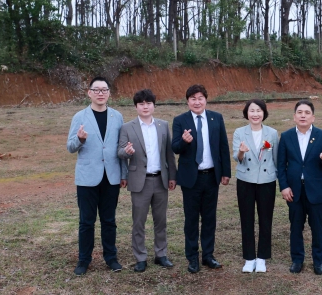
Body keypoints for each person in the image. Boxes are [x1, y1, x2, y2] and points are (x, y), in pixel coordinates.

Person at [66, 76, 126, 276]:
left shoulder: (117, 116)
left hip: (111, 177)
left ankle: (111, 258)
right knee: (86, 222)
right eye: (96, 90)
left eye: (104, 90)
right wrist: (80, 139)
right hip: (87, 177)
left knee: (109, 220)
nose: (101, 93)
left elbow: (121, 147)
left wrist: (123, 174)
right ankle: (84, 260)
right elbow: (70, 147)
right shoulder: (80, 117)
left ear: (109, 93)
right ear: (89, 93)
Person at [171, 84, 231, 273]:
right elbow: (175, 147)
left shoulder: (216, 118)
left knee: (209, 218)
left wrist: (226, 172)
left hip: (211, 176)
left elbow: (223, 146)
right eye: (193, 99)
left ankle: (208, 255)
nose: (197, 102)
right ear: (187, 101)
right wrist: (184, 141)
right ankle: (192, 258)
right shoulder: (180, 120)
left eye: (200, 98)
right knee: (191, 219)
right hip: (191, 178)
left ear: (206, 99)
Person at [117, 89, 177, 272]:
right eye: (141, 103)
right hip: (139, 182)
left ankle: (161, 254)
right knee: (138, 222)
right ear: (136, 106)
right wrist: (126, 152)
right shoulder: (127, 127)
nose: (145, 106)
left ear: (154, 106)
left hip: (160, 180)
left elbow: (169, 154)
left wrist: (172, 176)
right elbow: (119, 152)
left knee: (161, 221)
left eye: (148, 103)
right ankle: (140, 257)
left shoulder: (163, 125)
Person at [277, 100, 322, 275]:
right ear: (294, 116)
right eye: (300, 112)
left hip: (315, 190)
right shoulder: (286, 136)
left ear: (313, 117)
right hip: (294, 191)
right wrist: (284, 187)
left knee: (317, 227)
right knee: (295, 227)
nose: (303, 115)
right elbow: (281, 165)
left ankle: (318, 261)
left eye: (307, 112)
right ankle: (297, 260)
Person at [233, 99, 279, 273]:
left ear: (264, 113)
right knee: (246, 219)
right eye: (252, 110)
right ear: (247, 113)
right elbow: (237, 158)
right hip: (246, 180)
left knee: (266, 219)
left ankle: (262, 258)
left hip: (267, 180)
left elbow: (276, 158)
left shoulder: (272, 133)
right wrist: (241, 151)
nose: (255, 114)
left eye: (258, 110)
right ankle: (249, 257)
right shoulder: (239, 132)